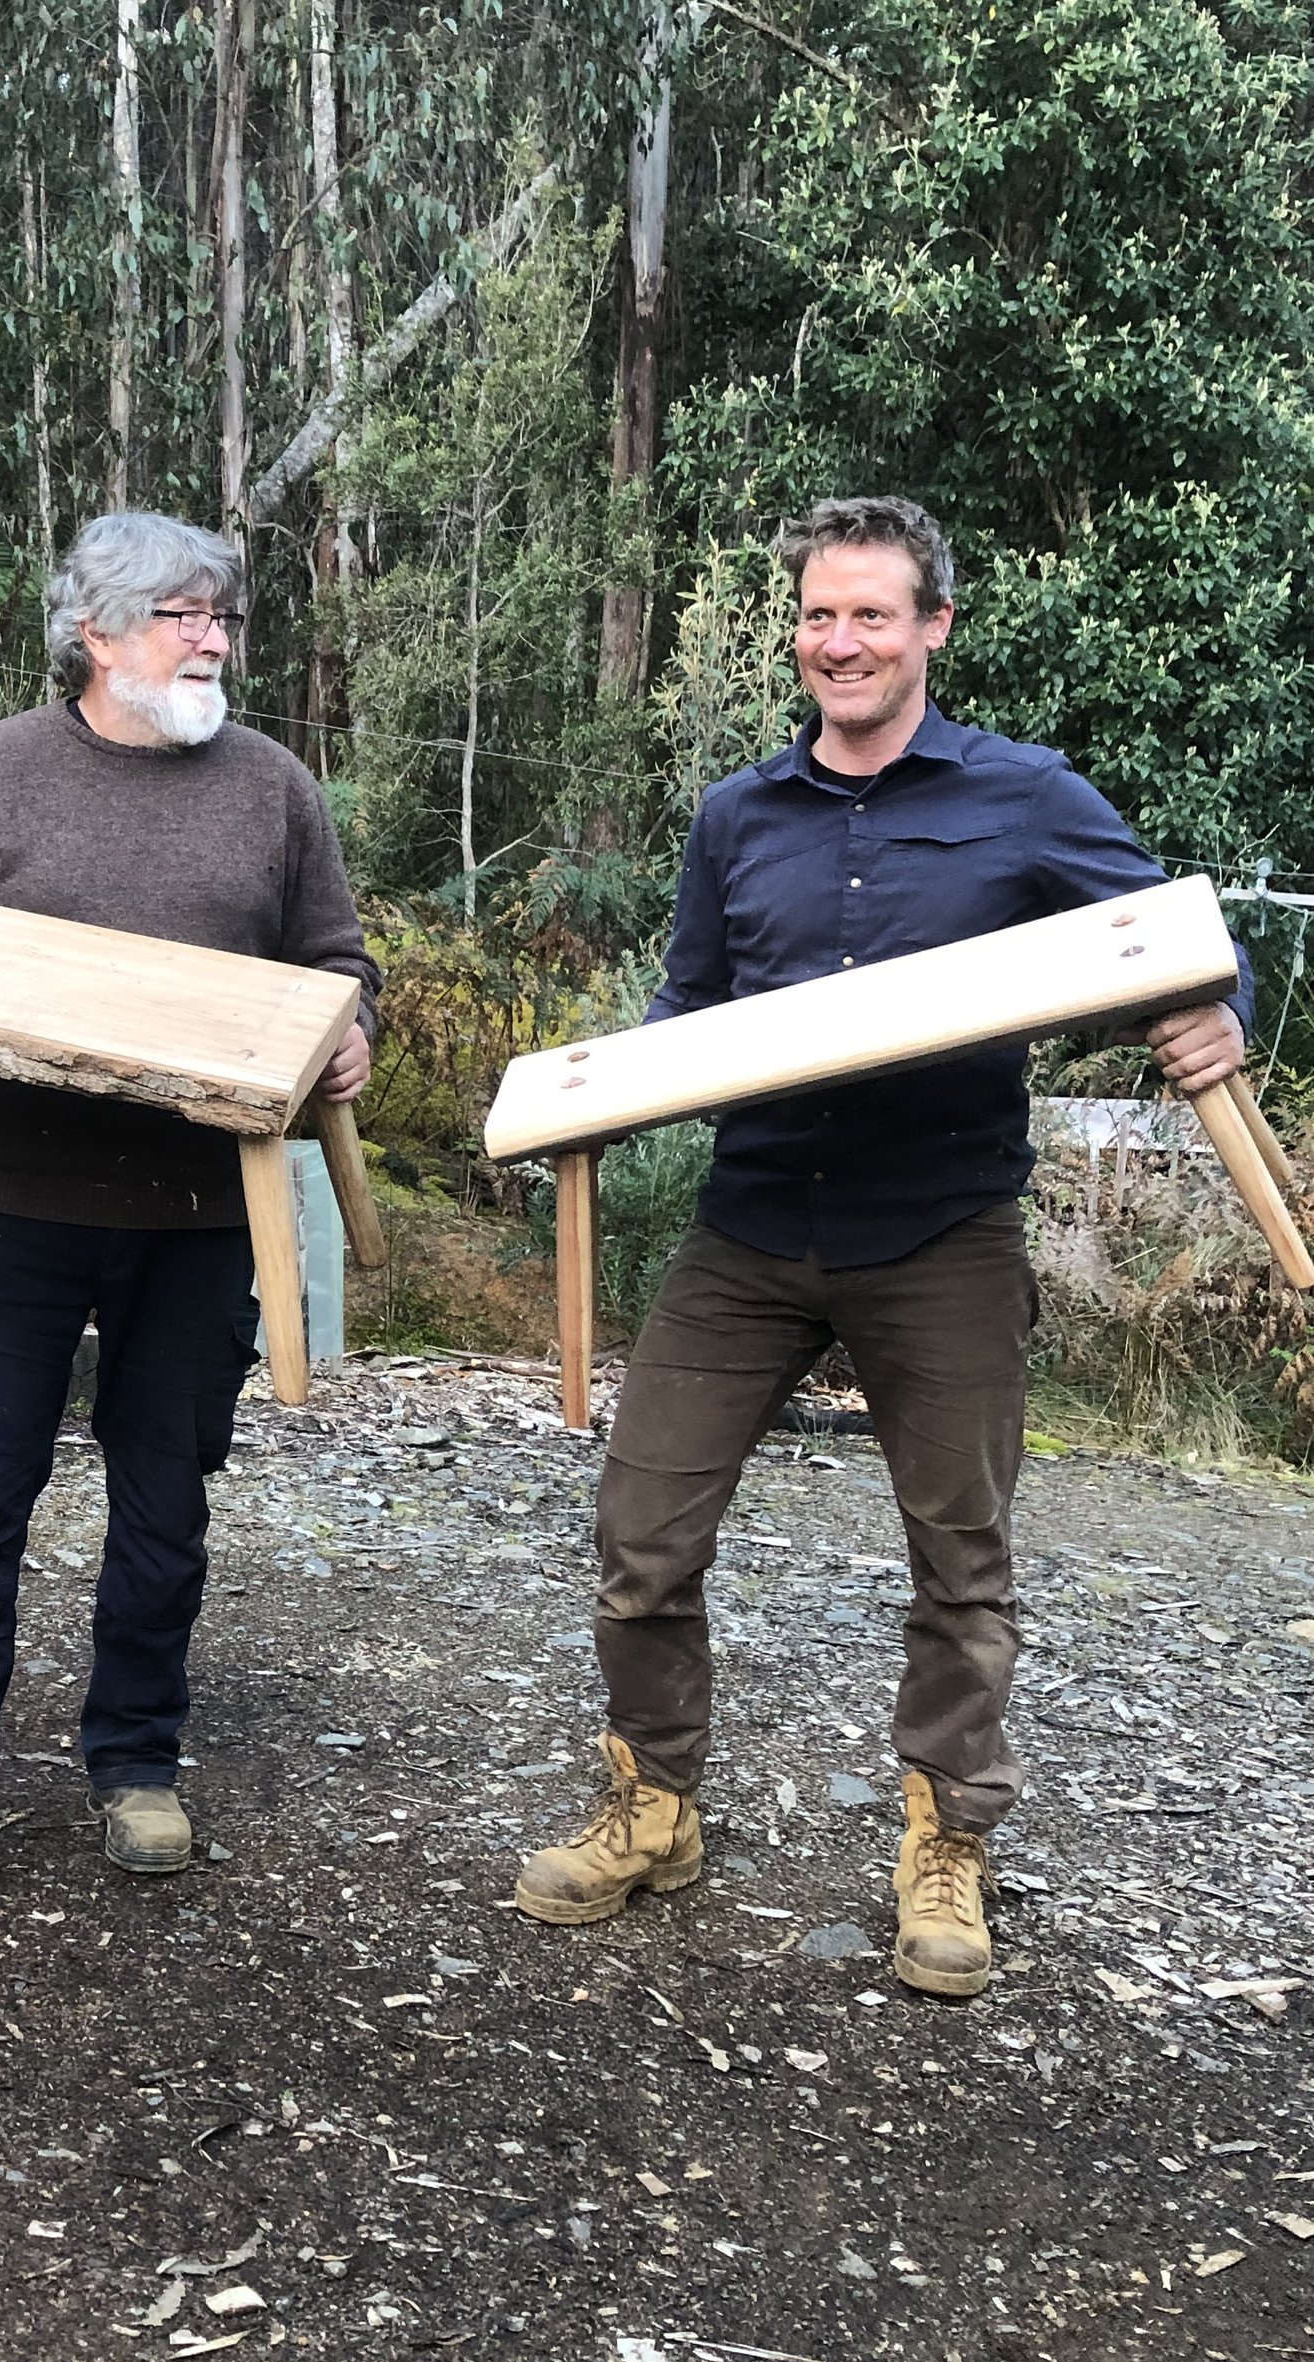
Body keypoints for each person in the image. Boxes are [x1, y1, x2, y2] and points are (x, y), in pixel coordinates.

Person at [512, 494, 1250, 2000]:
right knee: (641, 1535)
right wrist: (589, 1101)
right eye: (818, 616)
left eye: (870, 614)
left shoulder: (1026, 796)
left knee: (960, 1559)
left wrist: (1209, 1002)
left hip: (940, 1227)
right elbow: (692, 1010)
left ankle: (946, 1844)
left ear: (933, 630)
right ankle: (655, 1808)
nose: (838, 642)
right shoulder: (739, 814)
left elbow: (1170, 936)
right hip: (753, 1222)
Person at [0, 512, 379, 1923]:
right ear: (98, 633)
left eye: (221, 619)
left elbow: (334, 961)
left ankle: (135, 1762)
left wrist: (354, 1025)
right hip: (12, 1206)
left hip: (199, 1218)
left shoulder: (272, 790)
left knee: (162, 1508)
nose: (214, 641)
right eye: (185, 616)